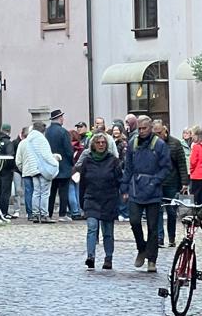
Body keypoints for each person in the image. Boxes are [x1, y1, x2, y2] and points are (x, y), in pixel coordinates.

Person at [122, 114, 170, 273]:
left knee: (152, 227)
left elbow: (166, 168)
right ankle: (141, 248)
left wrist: (155, 181)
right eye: (139, 128)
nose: (141, 131)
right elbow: (128, 167)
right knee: (134, 221)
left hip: (153, 189)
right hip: (136, 187)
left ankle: (152, 259)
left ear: (150, 128)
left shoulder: (160, 145)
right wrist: (124, 187)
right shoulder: (132, 143)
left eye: (144, 128)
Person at [76, 130, 124, 270]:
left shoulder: (113, 161)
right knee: (92, 227)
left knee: (108, 231)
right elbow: (82, 182)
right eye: (98, 142)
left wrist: (122, 196)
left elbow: (119, 180)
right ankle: (90, 256)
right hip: (91, 198)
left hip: (108, 198)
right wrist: (82, 202)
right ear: (93, 145)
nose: (101, 145)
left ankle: (108, 258)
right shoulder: (87, 161)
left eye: (103, 142)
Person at [153, 119, 190, 246]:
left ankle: (172, 237)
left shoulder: (175, 143)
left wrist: (185, 182)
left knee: (171, 211)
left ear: (165, 130)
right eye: (155, 133)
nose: (158, 135)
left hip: (172, 182)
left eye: (159, 132)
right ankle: (159, 237)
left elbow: (181, 163)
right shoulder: (152, 144)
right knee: (157, 210)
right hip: (157, 182)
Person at [22, 118, 58, 222]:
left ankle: (36, 214)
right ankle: (44, 215)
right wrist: (55, 161)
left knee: (36, 192)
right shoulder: (41, 139)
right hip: (43, 168)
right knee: (45, 193)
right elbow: (46, 156)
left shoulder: (28, 139)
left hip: (33, 168)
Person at [46, 109, 79, 220]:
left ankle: (49, 213)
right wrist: (71, 163)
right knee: (63, 192)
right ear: (60, 118)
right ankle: (62, 214)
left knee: (51, 191)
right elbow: (69, 150)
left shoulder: (47, 132)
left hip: (51, 166)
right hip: (64, 166)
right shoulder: (63, 132)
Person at [0, 123, 16, 219]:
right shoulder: (8, 143)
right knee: (5, 192)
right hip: (6, 170)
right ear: (9, 131)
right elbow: (10, 156)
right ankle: (4, 212)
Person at [14, 127, 33, 219]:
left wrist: (22, 168)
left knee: (27, 191)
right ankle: (34, 211)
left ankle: (29, 213)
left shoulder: (22, 143)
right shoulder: (34, 143)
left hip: (24, 171)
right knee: (34, 191)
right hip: (33, 171)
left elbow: (18, 160)